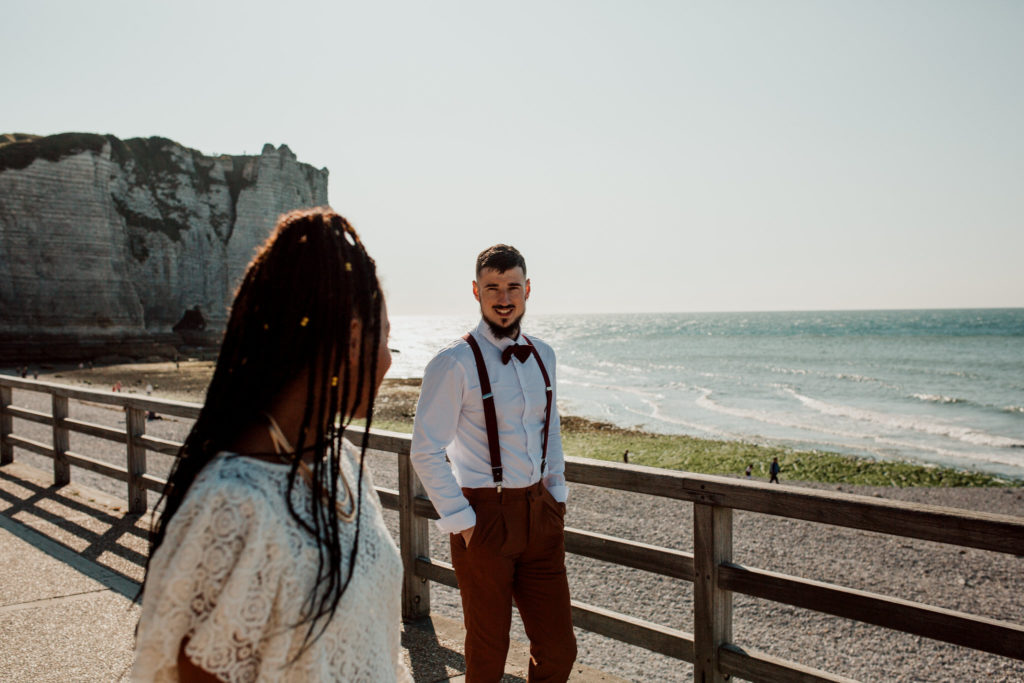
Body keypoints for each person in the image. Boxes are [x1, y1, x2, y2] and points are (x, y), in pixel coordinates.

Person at [133, 208, 407, 681]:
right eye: (387, 339)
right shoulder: (234, 506)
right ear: (352, 339)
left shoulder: (343, 464)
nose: (388, 361)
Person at [411, 244, 576, 682]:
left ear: (527, 290)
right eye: (492, 288)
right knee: (487, 656)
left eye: (512, 287)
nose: (504, 298)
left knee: (559, 650)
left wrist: (556, 491)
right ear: (476, 291)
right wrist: (464, 522)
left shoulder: (545, 354)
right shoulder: (453, 363)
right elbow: (425, 448)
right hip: (484, 518)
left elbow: (550, 427)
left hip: (541, 515)